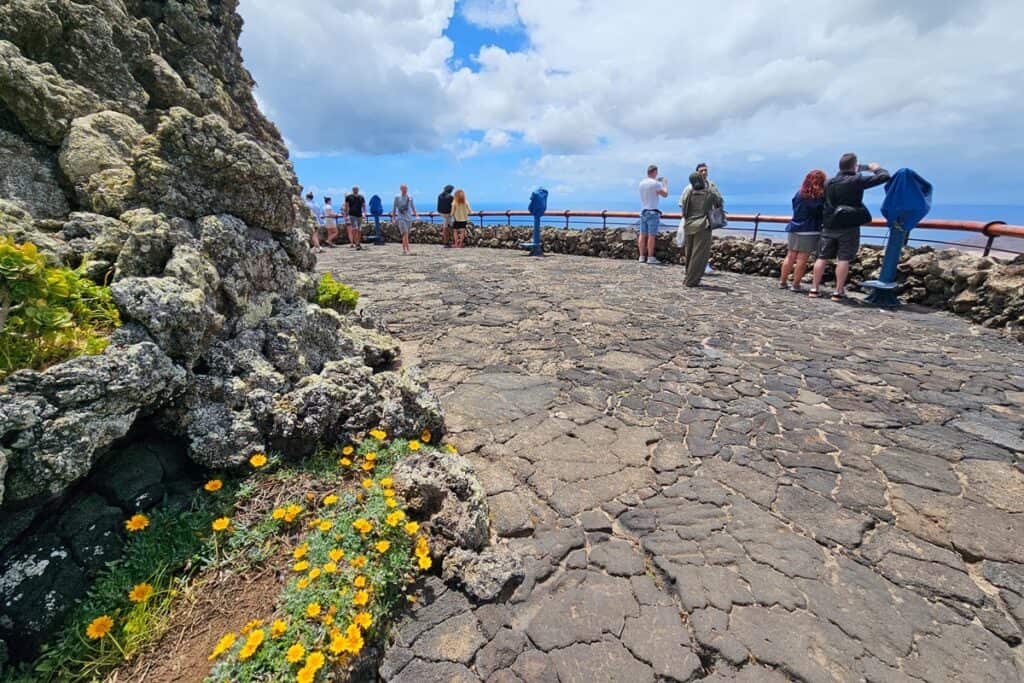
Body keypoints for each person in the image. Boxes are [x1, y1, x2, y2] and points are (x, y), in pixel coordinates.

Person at [809, 154, 890, 300]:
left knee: (822, 257)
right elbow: (884, 177)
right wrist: (876, 169)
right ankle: (838, 291)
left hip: (829, 224)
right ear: (854, 166)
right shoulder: (856, 180)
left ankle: (814, 288)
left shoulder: (829, 182)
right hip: (848, 226)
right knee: (843, 259)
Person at [779, 170, 826, 291]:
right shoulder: (820, 197)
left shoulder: (799, 194)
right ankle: (796, 284)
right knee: (802, 259)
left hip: (795, 227)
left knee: (790, 256)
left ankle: (782, 281)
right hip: (810, 230)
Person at [679, 171, 722, 287]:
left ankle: (688, 276)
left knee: (690, 253)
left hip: (689, 225)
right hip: (702, 225)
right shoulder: (709, 193)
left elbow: (684, 210)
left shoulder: (689, 194)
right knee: (699, 255)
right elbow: (720, 202)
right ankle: (691, 281)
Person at [638, 164, 668, 264]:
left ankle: (641, 256)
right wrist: (664, 184)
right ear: (654, 172)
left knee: (642, 235)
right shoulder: (656, 184)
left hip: (643, 211)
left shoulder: (641, 183)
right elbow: (665, 194)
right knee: (651, 236)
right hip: (653, 212)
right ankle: (650, 257)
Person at [392, 184, 418, 255]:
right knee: (405, 233)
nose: (405, 190)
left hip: (409, 218)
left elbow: (413, 207)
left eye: (405, 188)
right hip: (401, 218)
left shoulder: (410, 197)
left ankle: (405, 250)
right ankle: (407, 249)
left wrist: (416, 215)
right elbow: (394, 208)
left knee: (406, 234)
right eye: (403, 188)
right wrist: (393, 218)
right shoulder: (397, 197)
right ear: (400, 189)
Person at [346, 186, 367, 250]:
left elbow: (364, 205)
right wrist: (346, 214)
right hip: (352, 215)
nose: (355, 190)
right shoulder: (349, 197)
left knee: (359, 229)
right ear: (352, 190)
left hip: (359, 215)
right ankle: (357, 243)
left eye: (356, 189)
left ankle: (358, 242)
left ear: (358, 190)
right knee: (355, 228)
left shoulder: (361, 197)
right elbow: (346, 206)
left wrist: (364, 213)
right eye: (354, 189)